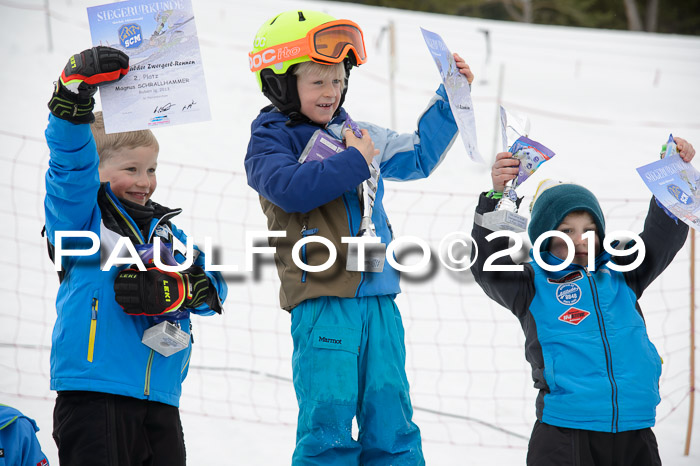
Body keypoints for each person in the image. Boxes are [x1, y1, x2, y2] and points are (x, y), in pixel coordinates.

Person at [245, 9, 473, 465]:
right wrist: (354, 161)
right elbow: (288, 189)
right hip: (323, 298)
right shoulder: (271, 142)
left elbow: (419, 155)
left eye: (337, 80)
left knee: (391, 414)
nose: (331, 92)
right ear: (281, 83)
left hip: (379, 297)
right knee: (328, 419)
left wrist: (450, 100)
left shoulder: (358, 134)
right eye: (317, 82)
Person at [44, 46, 227, 466]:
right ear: (98, 170)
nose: (145, 182)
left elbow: (214, 282)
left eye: (151, 169)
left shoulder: (167, 230)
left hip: (161, 397)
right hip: (94, 394)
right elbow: (68, 164)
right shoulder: (81, 220)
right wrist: (73, 97)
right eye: (132, 169)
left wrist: (182, 287)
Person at [470, 137, 695, 466]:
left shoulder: (624, 274)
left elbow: (663, 236)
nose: (580, 239)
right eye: (566, 231)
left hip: (636, 428)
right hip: (565, 434)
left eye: (589, 229)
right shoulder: (531, 285)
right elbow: (489, 263)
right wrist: (497, 198)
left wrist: (672, 172)